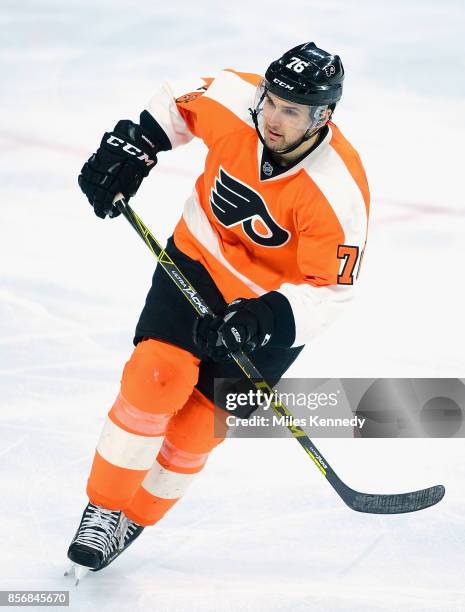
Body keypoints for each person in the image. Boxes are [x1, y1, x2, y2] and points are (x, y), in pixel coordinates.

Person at [67, 41, 370, 575]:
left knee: (196, 429)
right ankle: (103, 507)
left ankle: (135, 517)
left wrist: (265, 319)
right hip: (198, 263)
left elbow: (331, 290)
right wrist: (133, 146)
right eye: (271, 101)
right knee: (155, 377)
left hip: (269, 313)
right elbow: (177, 106)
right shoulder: (235, 99)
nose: (273, 118)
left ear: (323, 116)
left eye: (292, 111)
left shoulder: (338, 192)